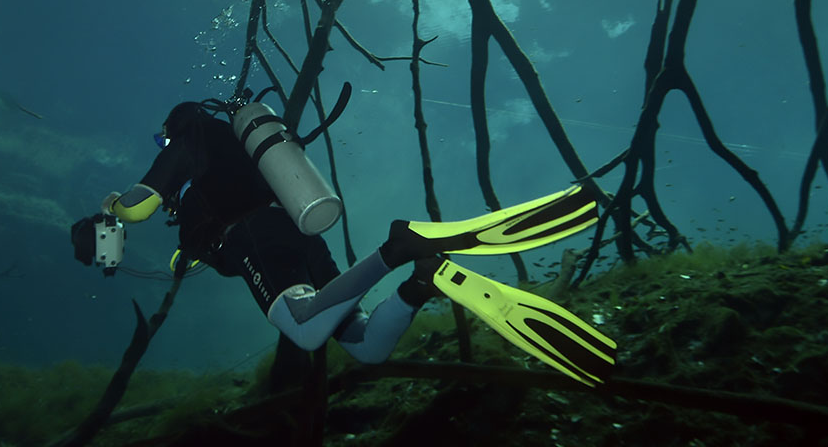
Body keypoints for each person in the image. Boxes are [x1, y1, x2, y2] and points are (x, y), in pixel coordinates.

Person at [97, 101, 617, 384]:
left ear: (175, 128)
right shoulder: (237, 147)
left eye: (164, 139)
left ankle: (399, 248)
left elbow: (139, 206)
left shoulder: (190, 142)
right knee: (366, 347)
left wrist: (112, 206)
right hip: (299, 233)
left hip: (258, 238)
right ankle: (421, 281)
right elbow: (202, 247)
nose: (165, 146)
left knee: (305, 330)